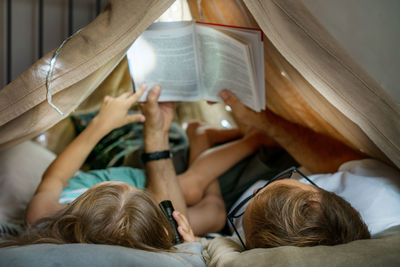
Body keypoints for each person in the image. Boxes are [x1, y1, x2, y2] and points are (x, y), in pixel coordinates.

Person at [0, 84, 269, 250]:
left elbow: (57, 176)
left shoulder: (43, 216)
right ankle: (203, 139)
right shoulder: (154, 232)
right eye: (139, 192)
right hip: (142, 215)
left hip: (141, 202)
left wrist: (101, 124)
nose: (134, 188)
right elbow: (172, 216)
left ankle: (252, 139)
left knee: (190, 190)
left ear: (75, 208)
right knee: (214, 216)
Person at [219, 89, 400, 249]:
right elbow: (338, 159)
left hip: (230, 198)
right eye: (302, 182)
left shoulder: (267, 240)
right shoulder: (381, 194)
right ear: (354, 210)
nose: (257, 190)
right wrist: (261, 120)